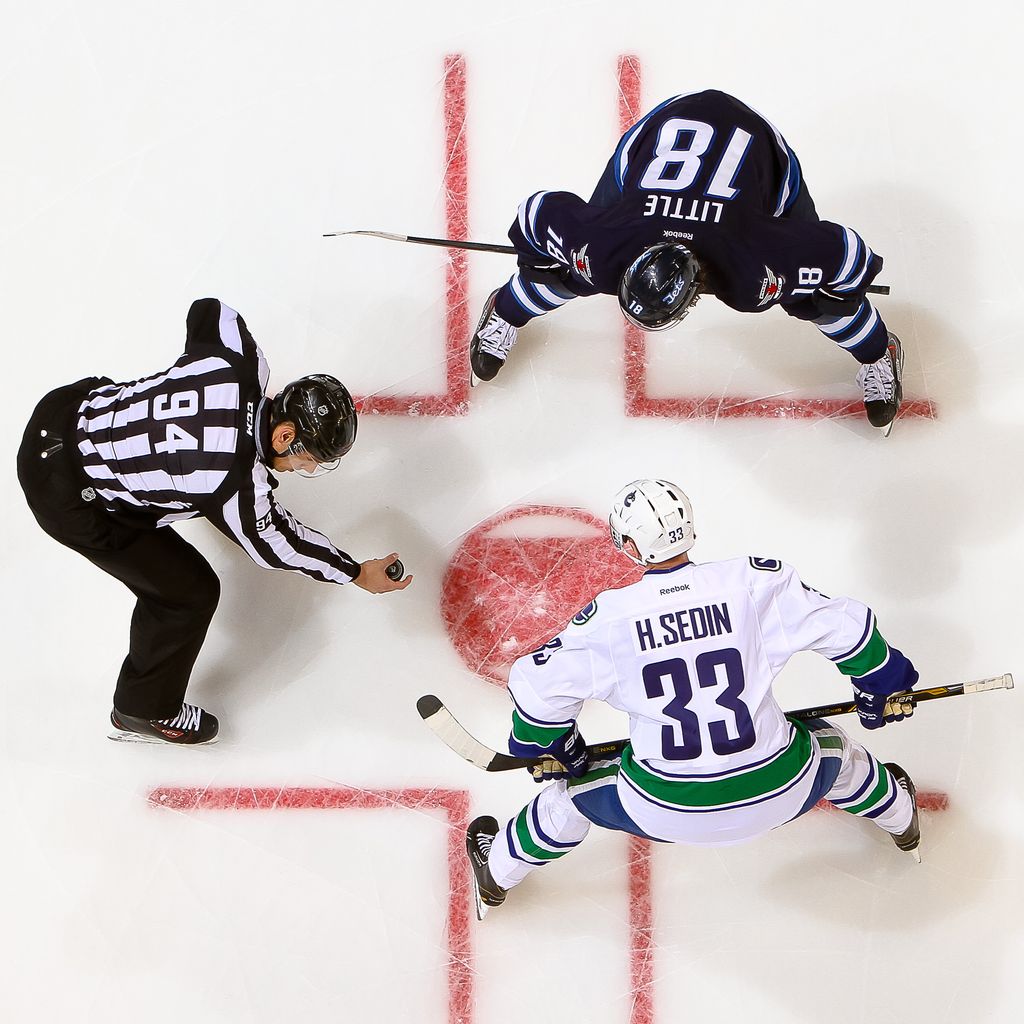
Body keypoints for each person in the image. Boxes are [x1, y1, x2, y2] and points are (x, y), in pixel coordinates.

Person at [466, 478, 919, 918]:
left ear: (630, 546)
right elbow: (849, 630)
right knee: (838, 748)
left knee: (569, 798)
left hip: (666, 809)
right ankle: (903, 821)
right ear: (690, 528)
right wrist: (883, 685)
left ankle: (496, 874)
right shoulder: (753, 582)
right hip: (783, 790)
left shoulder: (609, 620)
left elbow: (538, 688)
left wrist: (552, 747)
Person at [17, 298, 412, 746]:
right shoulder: (235, 482)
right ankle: (142, 712)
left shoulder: (238, 364)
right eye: (308, 459)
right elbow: (279, 547)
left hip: (63, 410)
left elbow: (210, 310)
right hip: (63, 493)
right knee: (188, 593)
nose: (306, 470)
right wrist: (356, 572)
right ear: (284, 436)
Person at [470, 90, 904, 431]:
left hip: (760, 151)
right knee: (576, 272)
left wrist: (838, 294)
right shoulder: (604, 248)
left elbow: (850, 255)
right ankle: (506, 311)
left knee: (812, 300)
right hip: (660, 132)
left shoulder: (756, 268)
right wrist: (539, 263)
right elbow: (534, 215)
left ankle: (877, 351)